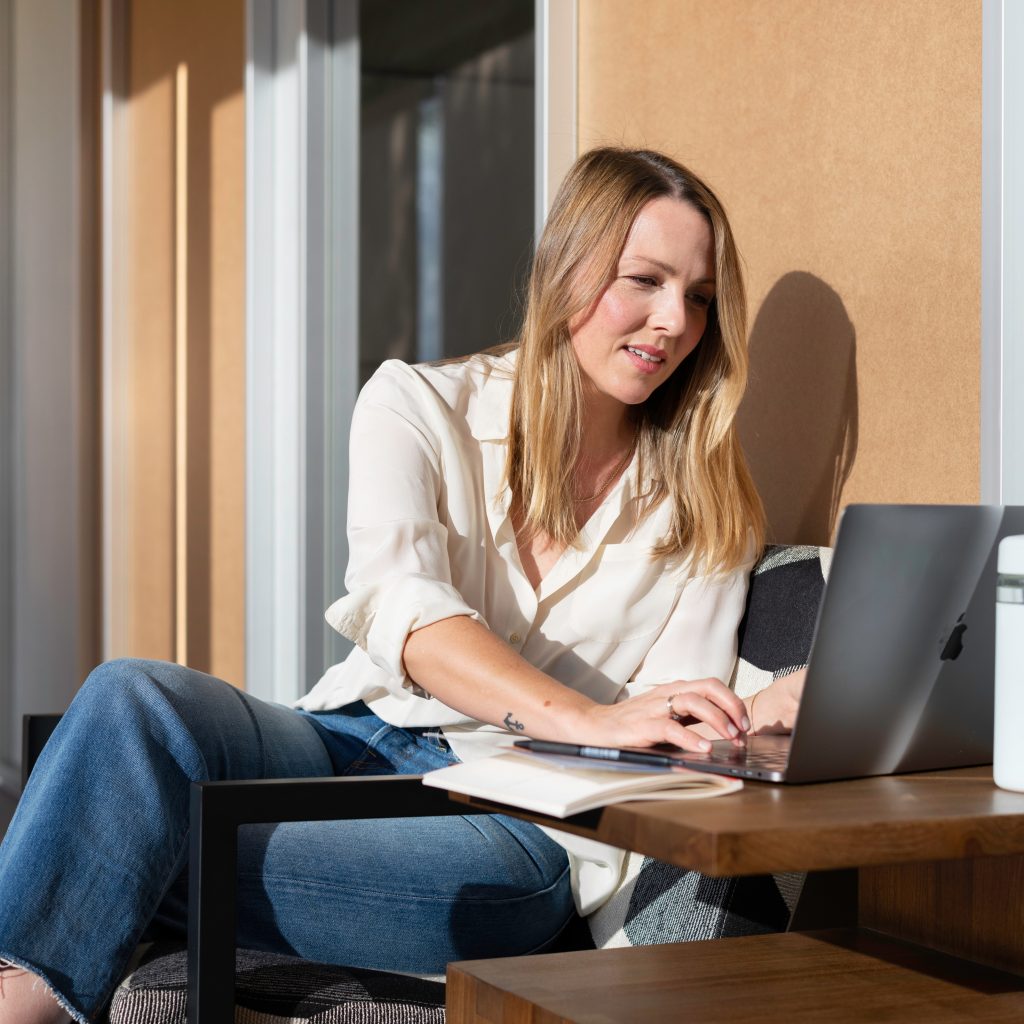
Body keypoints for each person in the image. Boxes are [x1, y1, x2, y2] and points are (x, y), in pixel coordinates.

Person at [0, 147, 804, 1024]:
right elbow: (406, 611)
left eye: (697, 297)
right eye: (643, 280)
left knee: (103, 839)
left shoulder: (708, 503)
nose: (671, 322)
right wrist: (583, 714)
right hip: (353, 738)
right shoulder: (417, 406)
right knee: (132, 697)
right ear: (566, 269)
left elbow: (674, 712)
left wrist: (774, 705)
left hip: (516, 825)